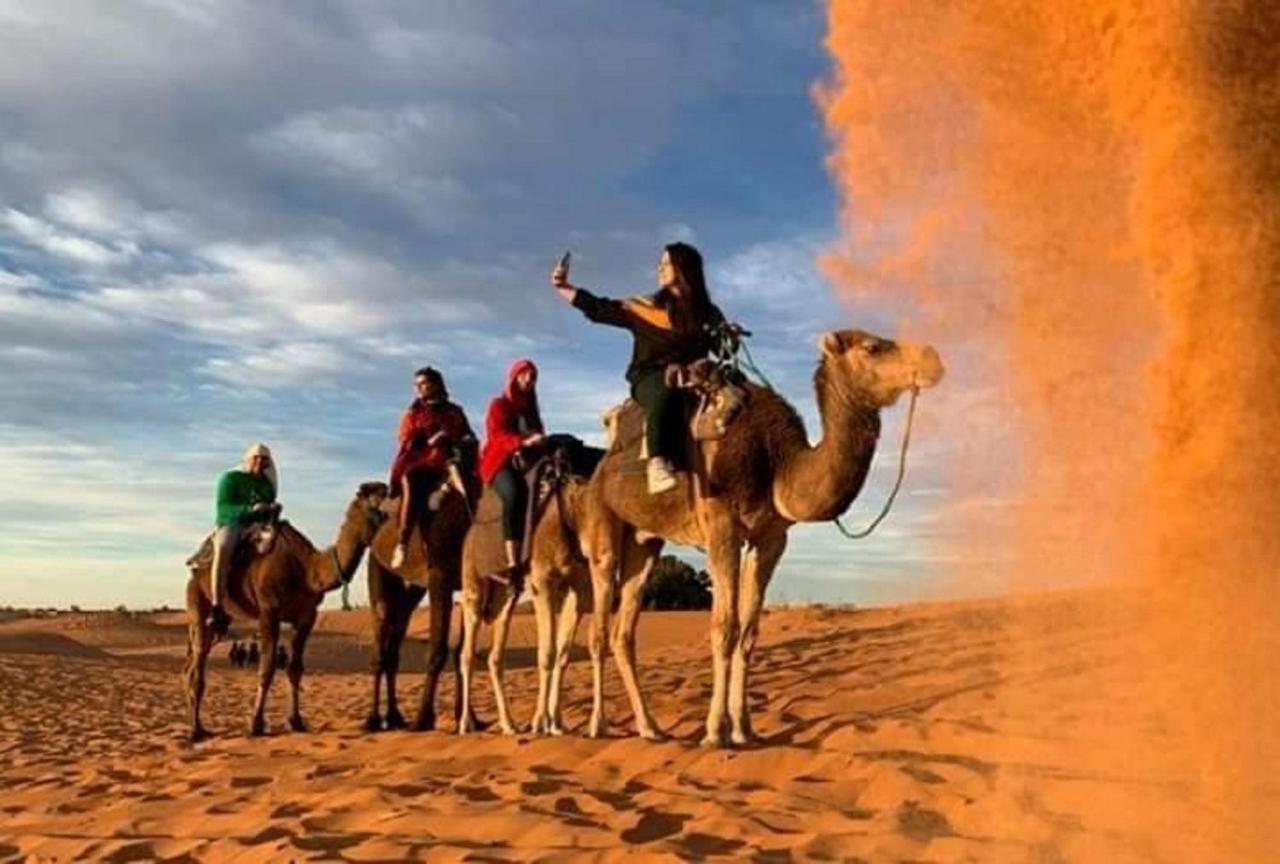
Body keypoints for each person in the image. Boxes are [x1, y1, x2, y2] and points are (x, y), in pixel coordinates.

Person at [553, 242, 725, 493]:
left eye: (666, 264)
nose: (660, 268)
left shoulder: (708, 313)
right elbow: (600, 309)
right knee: (665, 392)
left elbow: (721, 350)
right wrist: (563, 287)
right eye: (661, 264)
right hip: (650, 376)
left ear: (683, 268)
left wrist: (728, 335)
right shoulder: (646, 307)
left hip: (695, 377)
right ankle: (657, 463)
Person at [389, 367, 477, 569]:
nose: (419, 389)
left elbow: (468, 434)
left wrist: (458, 438)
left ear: (436, 385)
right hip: (425, 463)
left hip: (454, 461)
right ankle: (402, 542)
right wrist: (430, 440)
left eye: (424, 384)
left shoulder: (455, 412)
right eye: (416, 385)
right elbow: (405, 440)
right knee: (411, 479)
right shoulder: (413, 414)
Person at [478, 359, 546, 581]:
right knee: (514, 494)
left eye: (533, 377)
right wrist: (523, 443)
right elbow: (496, 436)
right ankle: (512, 560)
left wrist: (541, 442)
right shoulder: (499, 405)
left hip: (528, 459)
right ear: (515, 377)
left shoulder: (530, 410)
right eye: (525, 375)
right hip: (500, 462)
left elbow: (537, 433)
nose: (529, 380)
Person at [208, 443, 279, 637]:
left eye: (264, 459)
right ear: (248, 459)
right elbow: (224, 507)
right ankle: (217, 606)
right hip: (232, 523)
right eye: (256, 457)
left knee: (280, 543)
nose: (259, 462)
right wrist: (249, 510)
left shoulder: (266, 485)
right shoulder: (230, 479)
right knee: (223, 547)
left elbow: (268, 505)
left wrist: (271, 510)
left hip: (257, 526)